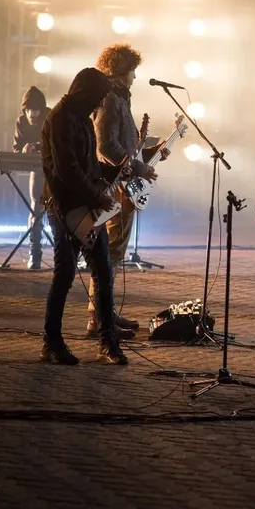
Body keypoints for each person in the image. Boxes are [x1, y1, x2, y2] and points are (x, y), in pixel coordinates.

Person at [38, 67, 128, 365]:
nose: (99, 105)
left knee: (103, 270)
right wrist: (97, 195)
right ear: (85, 92)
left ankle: (108, 342)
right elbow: (67, 171)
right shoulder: (60, 119)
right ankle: (51, 343)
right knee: (64, 274)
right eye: (98, 97)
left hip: (87, 207)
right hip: (64, 207)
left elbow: (90, 166)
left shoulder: (82, 120)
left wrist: (119, 171)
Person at [90, 43, 168, 338]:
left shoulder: (119, 99)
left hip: (121, 182)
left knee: (113, 252)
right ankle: (100, 318)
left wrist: (151, 153)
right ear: (120, 71)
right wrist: (137, 169)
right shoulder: (110, 99)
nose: (135, 77)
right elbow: (105, 146)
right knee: (109, 252)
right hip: (114, 186)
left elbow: (126, 148)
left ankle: (103, 313)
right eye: (132, 71)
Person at [12, 85, 50, 270]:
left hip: (56, 168)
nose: (32, 114)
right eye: (28, 110)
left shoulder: (51, 117)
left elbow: (58, 142)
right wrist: (24, 148)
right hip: (37, 168)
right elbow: (16, 148)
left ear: (41, 109)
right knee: (36, 206)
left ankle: (70, 253)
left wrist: (37, 145)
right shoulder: (21, 121)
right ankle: (35, 254)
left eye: (35, 110)